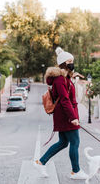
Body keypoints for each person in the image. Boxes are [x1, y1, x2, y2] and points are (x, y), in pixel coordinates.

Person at [33, 47, 88, 180]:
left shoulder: (64, 78)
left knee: (63, 142)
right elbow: (64, 100)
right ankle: (76, 171)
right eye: (69, 61)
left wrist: (71, 77)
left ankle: (41, 162)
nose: (72, 63)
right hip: (66, 116)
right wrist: (73, 117)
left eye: (72, 61)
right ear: (63, 63)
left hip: (64, 116)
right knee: (75, 142)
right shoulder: (60, 80)